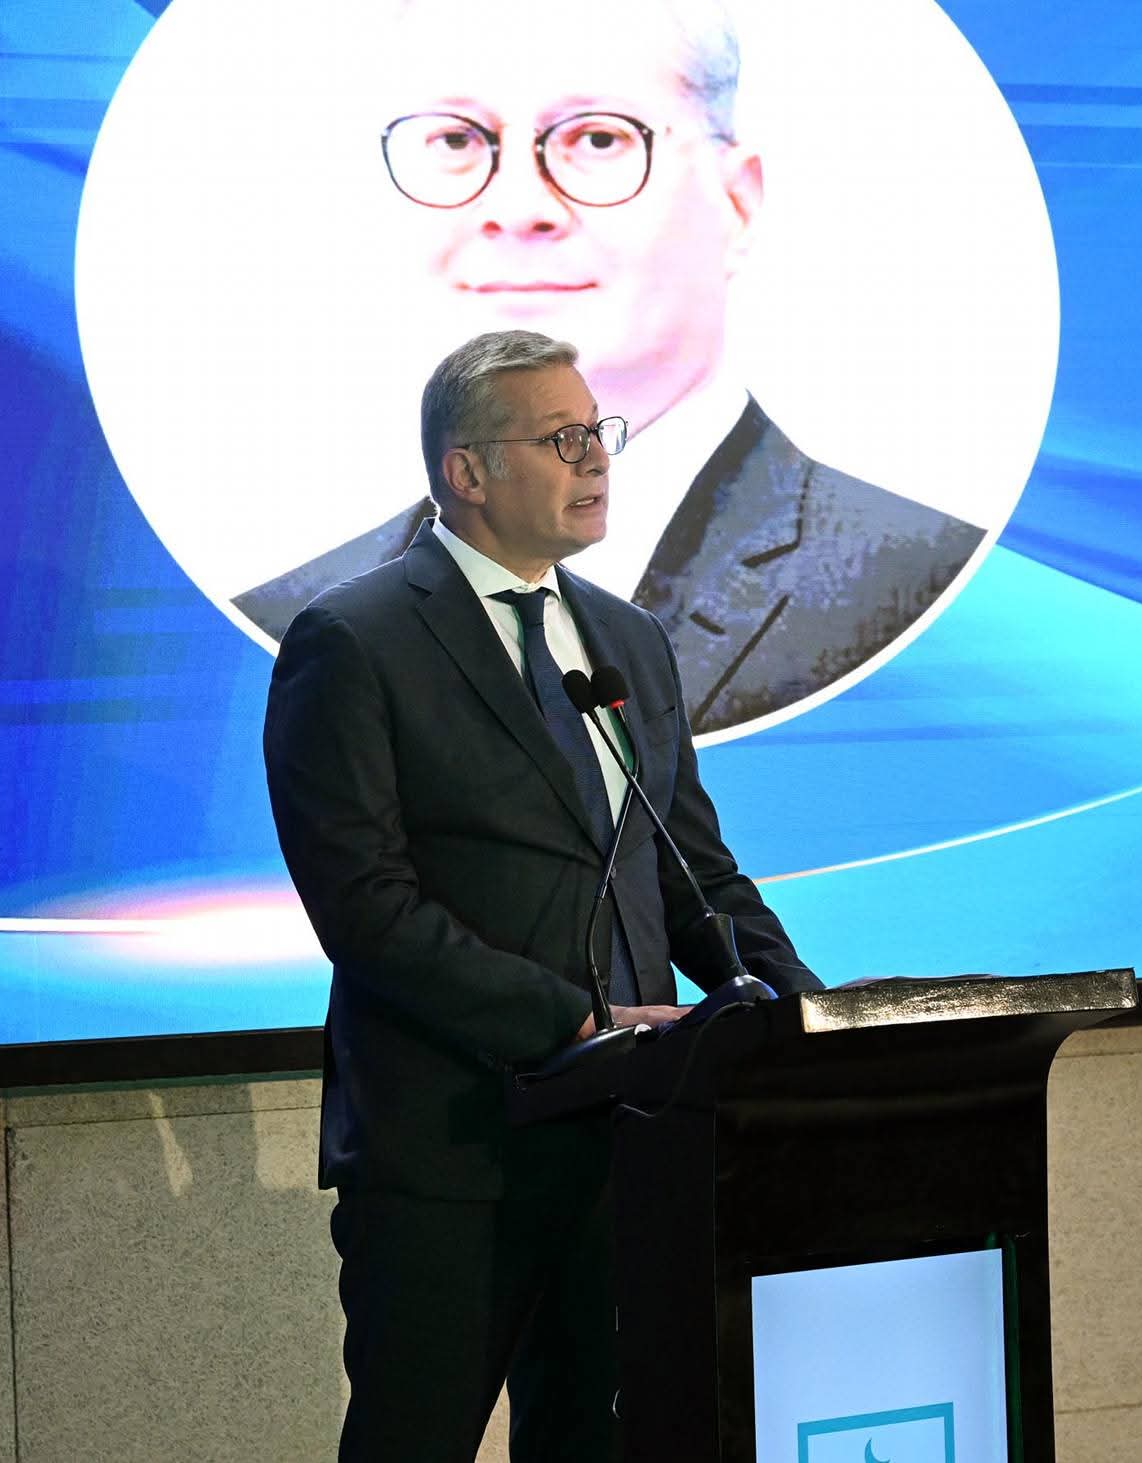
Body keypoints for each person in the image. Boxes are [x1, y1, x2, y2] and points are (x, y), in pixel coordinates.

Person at [263, 329, 820, 1461]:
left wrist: (804, 1011)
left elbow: (690, 869)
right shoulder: (355, 640)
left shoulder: (627, 639)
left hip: (631, 1145)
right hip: (451, 1152)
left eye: (597, 431)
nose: (597, 457)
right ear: (467, 471)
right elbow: (365, 908)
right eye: (561, 439)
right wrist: (571, 1021)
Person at [238, 0, 984, 735]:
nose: (517, 207)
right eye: (456, 139)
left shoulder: (929, 592)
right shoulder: (287, 627)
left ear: (737, 202)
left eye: (597, 138)